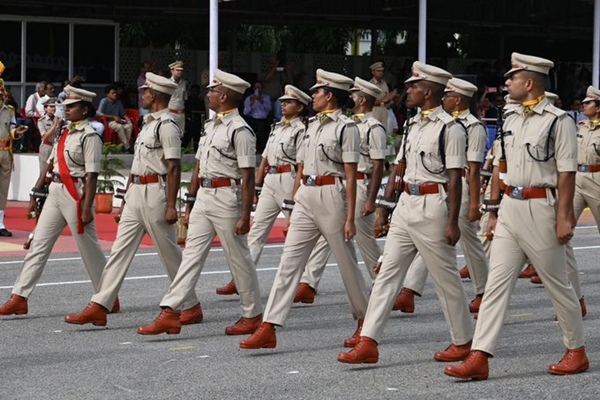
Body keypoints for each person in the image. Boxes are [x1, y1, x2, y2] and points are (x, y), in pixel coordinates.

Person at [444, 53, 588, 380]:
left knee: (557, 284)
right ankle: (480, 355)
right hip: (510, 206)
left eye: (512, 78)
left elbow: (566, 173)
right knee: (496, 284)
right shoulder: (509, 117)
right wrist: (493, 211)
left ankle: (576, 350)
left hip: (541, 207)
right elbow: (502, 167)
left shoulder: (558, 121)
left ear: (529, 82)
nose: (506, 82)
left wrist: (565, 217)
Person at [337, 62, 472, 365]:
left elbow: (454, 178)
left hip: (433, 205)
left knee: (445, 278)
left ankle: (463, 341)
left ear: (428, 91)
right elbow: (399, 168)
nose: (407, 90)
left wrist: (452, 222)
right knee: (387, 275)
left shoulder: (450, 128)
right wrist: (385, 209)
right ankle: (368, 341)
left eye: (413, 86)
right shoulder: (412, 124)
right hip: (406, 205)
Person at [239, 69, 370, 351]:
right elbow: (302, 167)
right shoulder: (312, 125)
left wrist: (349, 216)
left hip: (332, 194)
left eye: (317, 92)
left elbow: (350, 173)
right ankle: (269, 326)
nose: (313, 96)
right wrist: (296, 199)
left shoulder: (346, 128)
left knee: (346, 263)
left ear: (330, 96)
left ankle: (365, 321)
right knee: (289, 262)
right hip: (307, 196)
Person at [64, 72, 200, 327]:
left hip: (155, 194)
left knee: (169, 253)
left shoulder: (166, 126)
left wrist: (172, 205)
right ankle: (101, 303)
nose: (141, 95)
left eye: (145, 92)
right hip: (136, 192)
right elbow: (137, 165)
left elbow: (173, 167)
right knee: (119, 251)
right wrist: (125, 200)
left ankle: (190, 304)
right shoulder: (149, 123)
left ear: (156, 95)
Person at [136, 69, 263, 336]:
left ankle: (252, 313)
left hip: (228, 197)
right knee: (191, 255)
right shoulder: (210, 126)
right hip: (205, 195)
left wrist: (246, 214)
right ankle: (171, 310)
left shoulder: (241, 131)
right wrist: (191, 199)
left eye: (212, 90)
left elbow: (248, 176)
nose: (207, 94)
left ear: (225, 95)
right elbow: (199, 166)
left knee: (238, 257)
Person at [0, 87, 112, 315]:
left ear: (85, 109)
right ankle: (19, 296)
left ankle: (107, 295)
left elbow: (92, 175)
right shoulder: (64, 132)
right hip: (55, 191)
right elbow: (50, 164)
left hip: (76, 194)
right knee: (39, 244)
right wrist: (35, 192)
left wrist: (88, 208)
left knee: (89, 249)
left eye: (71, 106)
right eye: (65, 106)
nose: (66, 110)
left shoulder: (90, 136)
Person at [394, 77, 489, 315]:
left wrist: (475, 202)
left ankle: (484, 292)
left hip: (462, 184)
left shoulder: (472, 126)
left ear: (457, 100)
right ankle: (409, 292)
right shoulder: (432, 122)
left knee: (469, 241)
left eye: (447, 96)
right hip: (438, 185)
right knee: (430, 238)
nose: (443, 100)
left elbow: (474, 167)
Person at [293, 77, 387, 303]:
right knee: (328, 236)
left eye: (353, 94)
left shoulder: (374, 128)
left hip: (361, 184)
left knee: (365, 241)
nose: (350, 97)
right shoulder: (344, 123)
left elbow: (378, 166)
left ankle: (382, 284)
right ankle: (309, 283)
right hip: (340, 185)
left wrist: (371, 200)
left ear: (362, 99)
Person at [215, 84, 311, 296]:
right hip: (271, 180)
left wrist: (295, 196)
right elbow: (265, 158)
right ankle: (240, 278)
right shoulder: (276, 127)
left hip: (289, 179)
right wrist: (257, 186)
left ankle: (305, 281)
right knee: (257, 229)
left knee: (297, 232)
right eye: (283, 101)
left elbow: (302, 165)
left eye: (289, 102)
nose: (283, 104)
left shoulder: (301, 131)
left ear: (301, 108)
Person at [0, 76, 28, 237]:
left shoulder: (9, 110)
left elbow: (11, 129)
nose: (1, 94)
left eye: (2, 92)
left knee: (3, 189)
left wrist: (16, 132)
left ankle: (0, 223)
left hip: (6, 152)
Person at [97, 84, 133, 152]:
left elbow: (123, 114)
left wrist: (128, 120)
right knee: (119, 127)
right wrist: (113, 117)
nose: (115, 94)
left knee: (129, 126)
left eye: (116, 93)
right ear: (107, 94)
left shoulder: (118, 102)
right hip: (108, 122)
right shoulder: (104, 101)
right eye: (113, 93)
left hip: (119, 121)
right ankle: (127, 147)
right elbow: (99, 113)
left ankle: (122, 146)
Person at [243, 81, 272, 155]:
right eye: (256, 87)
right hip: (253, 120)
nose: (257, 89)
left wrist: (261, 101)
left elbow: (269, 109)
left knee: (263, 136)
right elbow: (245, 112)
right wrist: (251, 103)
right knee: (253, 137)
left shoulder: (266, 97)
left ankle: (262, 151)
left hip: (263, 120)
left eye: (259, 87)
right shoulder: (249, 98)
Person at [369, 62, 397, 133]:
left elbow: (387, 98)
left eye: (382, 71)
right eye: (378, 71)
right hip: (375, 109)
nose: (381, 73)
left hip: (384, 109)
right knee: (374, 131)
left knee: (384, 131)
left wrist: (391, 96)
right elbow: (369, 101)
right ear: (373, 72)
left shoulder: (384, 84)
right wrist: (384, 100)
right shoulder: (370, 84)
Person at [36, 97, 62, 175]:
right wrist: (54, 125)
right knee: (44, 172)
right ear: (45, 108)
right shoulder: (41, 121)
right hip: (46, 147)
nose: (53, 108)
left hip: (56, 147)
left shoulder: (59, 119)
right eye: (50, 106)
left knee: (55, 172)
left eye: (54, 106)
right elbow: (44, 137)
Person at [168, 61, 188, 133]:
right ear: (172, 71)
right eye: (177, 70)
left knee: (180, 135)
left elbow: (185, 99)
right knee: (171, 133)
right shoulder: (167, 83)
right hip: (170, 112)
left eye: (181, 70)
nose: (180, 72)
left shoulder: (184, 83)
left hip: (181, 113)